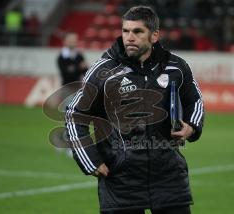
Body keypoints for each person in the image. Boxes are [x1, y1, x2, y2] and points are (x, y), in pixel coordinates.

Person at [65, 6, 204, 214]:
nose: (129, 37)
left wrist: (191, 127)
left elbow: (196, 101)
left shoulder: (176, 67)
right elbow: (75, 114)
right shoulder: (104, 70)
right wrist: (90, 160)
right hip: (121, 179)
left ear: (154, 35)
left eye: (137, 32)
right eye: (125, 31)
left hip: (169, 177)